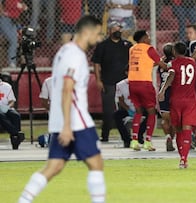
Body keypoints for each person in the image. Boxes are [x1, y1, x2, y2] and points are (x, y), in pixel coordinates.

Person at [18, 15, 106, 203]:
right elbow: (67, 89)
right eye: (98, 34)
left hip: (60, 120)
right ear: (87, 32)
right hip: (75, 121)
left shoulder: (63, 51)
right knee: (96, 163)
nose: (99, 38)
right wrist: (67, 126)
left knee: (54, 166)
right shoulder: (75, 55)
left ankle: (23, 200)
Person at [158, 42, 196, 169]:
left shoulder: (172, 64)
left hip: (176, 100)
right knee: (187, 129)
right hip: (190, 100)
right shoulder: (192, 62)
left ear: (174, 52)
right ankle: (184, 159)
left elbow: (171, 74)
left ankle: (182, 158)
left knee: (178, 129)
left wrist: (163, 90)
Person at [92, 21, 132, 142]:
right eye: (115, 29)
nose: (118, 31)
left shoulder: (127, 45)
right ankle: (105, 135)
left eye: (119, 29)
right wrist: (98, 80)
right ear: (109, 31)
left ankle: (127, 136)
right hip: (108, 82)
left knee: (126, 109)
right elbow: (96, 64)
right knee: (108, 111)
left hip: (124, 83)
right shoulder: (102, 46)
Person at [128, 30, 166, 151]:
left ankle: (134, 141)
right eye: (148, 36)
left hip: (132, 83)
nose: (150, 39)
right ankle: (147, 141)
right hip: (145, 83)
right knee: (151, 112)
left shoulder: (132, 49)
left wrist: (157, 62)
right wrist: (168, 64)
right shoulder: (149, 48)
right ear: (144, 38)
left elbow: (144, 63)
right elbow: (162, 65)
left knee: (138, 111)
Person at [114, 76, 146, 148]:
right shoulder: (120, 85)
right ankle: (126, 140)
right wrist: (128, 110)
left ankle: (139, 135)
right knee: (117, 115)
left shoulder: (142, 83)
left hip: (140, 108)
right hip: (127, 108)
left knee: (151, 114)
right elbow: (120, 100)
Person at [158, 43, 176, 152]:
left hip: (162, 92)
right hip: (173, 92)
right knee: (174, 119)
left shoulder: (161, 64)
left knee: (165, 119)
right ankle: (172, 139)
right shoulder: (175, 63)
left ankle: (167, 137)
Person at [0, 0, 27, 67]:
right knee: (13, 40)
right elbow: (10, 4)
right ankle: (12, 63)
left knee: (18, 39)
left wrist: (20, 6)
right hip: (5, 20)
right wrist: (19, 6)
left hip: (14, 21)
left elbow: (25, 8)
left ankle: (14, 62)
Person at [0, 78, 24, 150]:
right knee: (1, 115)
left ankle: (15, 141)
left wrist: (7, 107)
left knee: (16, 115)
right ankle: (16, 134)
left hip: (5, 108)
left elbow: (12, 101)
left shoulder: (7, 86)